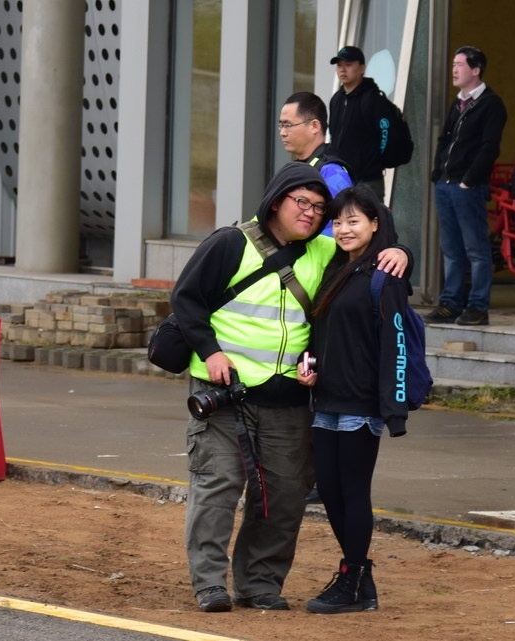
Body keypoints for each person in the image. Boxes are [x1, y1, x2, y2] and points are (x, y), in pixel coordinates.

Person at [170, 162, 408, 614]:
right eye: (303, 203)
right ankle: (209, 584)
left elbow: (367, 247)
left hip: (289, 400)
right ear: (276, 200)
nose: (313, 214)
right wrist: (211, 350)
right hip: (224, 394)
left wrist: (403, 251)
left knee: (282, 497)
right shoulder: (229, 243)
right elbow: (185, 298)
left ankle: (259, 583)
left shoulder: (322, 252)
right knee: (218, 486)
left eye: (320, 208)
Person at [296, 185, 410, 614]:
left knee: (353, 490)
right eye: (338, 221)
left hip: (361, 404)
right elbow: (318, 332)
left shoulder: (386, 274)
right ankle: (360, 578)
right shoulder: (334, 269)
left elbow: (395, 345)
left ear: (375, 224)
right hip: (326, 399)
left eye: (353, 221)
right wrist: (310, 365)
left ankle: (352, 578)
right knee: (329, 490)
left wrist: (392, 408)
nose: (343, 229)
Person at [427, 45, 507, 327]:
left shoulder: (490, 104)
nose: (454, 69)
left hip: (467, 187)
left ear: (476, 70)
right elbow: (444, 140)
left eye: (460, 64)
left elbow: (489, 148)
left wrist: (468, 181)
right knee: (451, 248)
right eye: (453, 64)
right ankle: (451, 303)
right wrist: (438, 173)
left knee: (476, 249)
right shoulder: (457, 102)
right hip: (446, 185)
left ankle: (477, 306)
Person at [279, 92, 354, 234]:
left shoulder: (332, 171)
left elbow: (337, 234)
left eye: (288, 125)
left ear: (314, 126)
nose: (282, 132)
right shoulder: (297, 168)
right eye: (281, 125)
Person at [328, 46, 393, 201]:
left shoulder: (374, 99)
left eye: (348, 65)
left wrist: (373, 164)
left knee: (370, 224)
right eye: (339, 65)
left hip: (368, 181)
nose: (342, 70)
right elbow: (333, 135)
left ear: (362, 68)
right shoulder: (336, 99)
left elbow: (386, 137)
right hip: (340, 180)